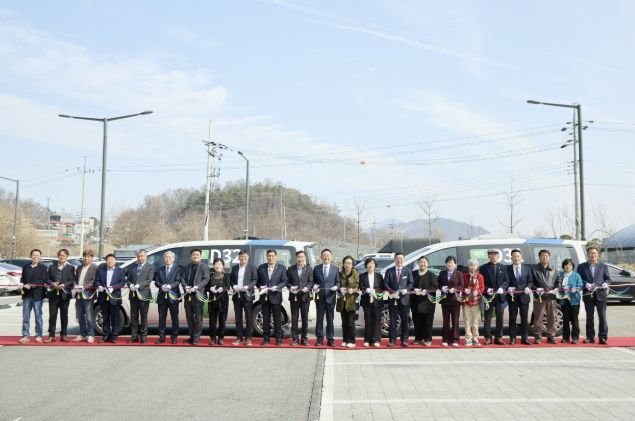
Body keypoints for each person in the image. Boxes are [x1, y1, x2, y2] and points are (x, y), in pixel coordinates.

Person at [577, 245, 611, 344]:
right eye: (591, 253)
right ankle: (590, 337)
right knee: (589, 317)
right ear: (587, 254)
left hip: (601, 294)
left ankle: (602, 337)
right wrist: (585, 284)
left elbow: (608, 279)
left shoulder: (603, 266)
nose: (593, 255)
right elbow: (578, 279)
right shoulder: (581, 266)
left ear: (597, 254)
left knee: (602, 317)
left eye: (594, 253)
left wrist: (606, 283)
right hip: (588, 294)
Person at [257, 249, 288, 345]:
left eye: (272, 256)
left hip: (276, 296)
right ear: (267, 257)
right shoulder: (261, 267)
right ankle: (266, 339)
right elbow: (257, 281)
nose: (271, 258)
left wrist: (278, 287)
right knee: (265, 318)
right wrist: (260, 286)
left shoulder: (281, 268)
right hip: (265, 297)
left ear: (276, 257)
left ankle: (278, 339)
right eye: (269, 256)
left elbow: (285, 281)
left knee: (277, 318)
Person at [18, 249, 48, 344]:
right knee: (26, 316)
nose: (35, 257)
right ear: (31, 256)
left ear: (40, 257)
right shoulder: (26, 267)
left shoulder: (43, 267)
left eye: (37, 255)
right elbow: (22, 279)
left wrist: (33, 284)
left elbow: (43, 280)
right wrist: (21, 283)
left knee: (38, 316)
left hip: (37, 295)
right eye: (34, 255)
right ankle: (25, 335)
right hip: (27, 295)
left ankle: (38, 335)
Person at [531, 249, 561, 344]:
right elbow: (531, 282)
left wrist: (557, 288)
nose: (544, 257)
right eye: (542, 256)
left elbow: (558, 281)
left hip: (551, 297)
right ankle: (538, 336)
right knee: (538, 317)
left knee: (552, 317)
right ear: (539, 257)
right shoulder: (534, 269)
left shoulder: (554, 269)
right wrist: (536, 289)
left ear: (549, 257)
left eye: (546, 256)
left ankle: (551, 336)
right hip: (539, 297)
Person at [45, 248, 76, 342]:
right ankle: (51, 336)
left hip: (64, 295)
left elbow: (72, 281)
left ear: (67, 257)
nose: (62, 257)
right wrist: (52, 283)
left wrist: (64, 285)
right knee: (52, 316)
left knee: (64, 316)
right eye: (60, 255)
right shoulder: (52, 267)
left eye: (64, 256)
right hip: (53, 295)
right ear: (58, 256)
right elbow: (47, 279)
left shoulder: (71, 268)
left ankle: (64, 335)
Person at [180, 248, 210, 345]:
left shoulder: (204, 266)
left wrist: (197, 287)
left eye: (197, 255)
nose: (195, 256)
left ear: (200, 256)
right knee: (189, 317)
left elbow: (206, 279)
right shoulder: (187, 267)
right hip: (188, 295)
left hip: (198, 295)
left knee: (198, 317)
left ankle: (196, 337)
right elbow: (182, 278)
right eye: (193, 255)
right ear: (191, 256)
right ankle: (191, 336)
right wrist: (185, 286)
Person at [383, 252, 413, 347]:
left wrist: (406, 290)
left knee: (405, 320)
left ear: (403, 260)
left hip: (405, 299)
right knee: (392, 320)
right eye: (397, 258)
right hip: (393, 299)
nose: (399, 260)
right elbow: (385, 284)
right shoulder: (389, 271)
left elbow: (411, 283)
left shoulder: (407, 270)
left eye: (401, 258)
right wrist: (392, 292)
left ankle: (404, 340)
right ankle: (392, 340)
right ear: (394, 260)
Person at [95, 254, 126, 343]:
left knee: (115, 317)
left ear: (115, 261)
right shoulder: (101, 270)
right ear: (106, 261)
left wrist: (113, 288)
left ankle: (114, 336)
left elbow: (122, 282)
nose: (110, 261)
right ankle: (105, 335)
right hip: (103, 296)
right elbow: (96, 281)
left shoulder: (120, 270)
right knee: (105, 317)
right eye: (108, 260)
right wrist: (99, 286)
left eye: (112, 260)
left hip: (115, 297)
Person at [480, 249, 509, 345]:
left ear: (498, 256)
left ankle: (498, 337)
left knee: (500, 318)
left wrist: (502, 288)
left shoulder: (503, 267)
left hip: (500, 297)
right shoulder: (483, 268)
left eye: (495, 255)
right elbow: (481, 283)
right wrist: (487, 289)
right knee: (487, 318)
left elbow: (506, 281)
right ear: (489, 256)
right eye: (491, 255)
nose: (493, 257)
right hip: (488, 297)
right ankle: (488, 337)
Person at [126, 249, 155, 344]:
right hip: (133, 295)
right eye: (138, 256)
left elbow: (149, 280)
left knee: (143, 316)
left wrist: (139, 285)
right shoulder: (133, 267)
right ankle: (134, 336)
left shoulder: (150, 267)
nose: (140, 258)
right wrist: (130, 285)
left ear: (146, 257)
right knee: (134, 316)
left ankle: (143, 336)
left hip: (144, 294)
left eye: (142, 256)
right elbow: (128, 279)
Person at [506, 249, 534, 345]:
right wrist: (508, 288)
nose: (516, 258)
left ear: (521, 257)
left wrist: (528, 287)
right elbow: (505, 281)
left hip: (524, 297)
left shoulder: (527, 268)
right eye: (514, 256)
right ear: (511, 258)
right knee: (512, 318)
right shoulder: (507, 268)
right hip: (512, 297)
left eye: (518, 256)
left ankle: (525, 338)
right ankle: (512, 338)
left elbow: (530, 281)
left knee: (524, 319)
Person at [230, 250, 257, 346]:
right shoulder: (234, 268)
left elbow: (254, 280)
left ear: (248, 257)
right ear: (238, 257)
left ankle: (248, 338)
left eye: (245, 256)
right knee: (238, 318)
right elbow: (231, 280)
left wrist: (248, 286)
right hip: (237, 295)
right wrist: (234, 286)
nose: (243, 258)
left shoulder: (252, 268)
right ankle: (239, 338)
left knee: (248, 318)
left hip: (247, 295)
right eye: (241, 256)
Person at [313, 248, 340, 347]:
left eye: (328, 255)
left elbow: (338, 282)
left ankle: (330, 339)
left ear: (331, 257)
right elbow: (313, 281)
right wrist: (314, 287)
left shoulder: (335, 269)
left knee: (330, 319)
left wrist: (336, 287)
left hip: (330, 297)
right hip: (319, 298)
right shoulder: (316, 268)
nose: (326, 257)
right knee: (319, 319)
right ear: (321, 257)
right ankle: (319, 339)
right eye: (324, 255)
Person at [287, 250, 314, 346]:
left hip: (305, 297)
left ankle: (304, 338)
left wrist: (308, 287)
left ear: (304, 258)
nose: (300, 259)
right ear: (296, 258)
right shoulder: (290, 269)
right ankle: (294, 339)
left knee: (305, 318)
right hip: (294, 297)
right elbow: (287, 281)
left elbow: (311, 282)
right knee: (294, 318)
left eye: (302, 257)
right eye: (298, 257)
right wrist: (291, 287)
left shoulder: (309, 269)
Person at [154, 251, 181, 344]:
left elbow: (178, 281)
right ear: (163, 259)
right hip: (162, 296)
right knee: (162, 317)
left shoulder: (177, 269)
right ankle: (161, 336)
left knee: (174, 317)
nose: (168, 259)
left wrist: (170, 286)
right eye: (166, 257)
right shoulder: (159, 269)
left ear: (173, 259)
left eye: (170, 257)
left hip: (173, 296)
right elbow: (156, 282)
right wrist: (161, 286)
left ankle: (174, 337)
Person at [438, 256, 464, 347]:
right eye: (448, 262)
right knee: (446, 320)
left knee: (455, 321)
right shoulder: (442, 273)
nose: (450, 264)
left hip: (455, 300)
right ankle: (445, 339)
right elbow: (438, 284)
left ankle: (455, 339)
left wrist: (455, 289)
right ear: (445, 264)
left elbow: (461, 286)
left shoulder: (459, 273)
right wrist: (442, 287)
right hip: (445, 300)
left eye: (452, 262)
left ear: (455, 264)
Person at [411, 256, 437, 346]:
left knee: (427, 322)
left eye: (424, 262)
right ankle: (418, 338)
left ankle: (427, 339)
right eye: (421, 262)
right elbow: (409, 284)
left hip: (428, 303)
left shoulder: (431, 275)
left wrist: (426, 290)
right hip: (415, 302)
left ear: (427, 264)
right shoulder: (413, 274)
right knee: (417, 322)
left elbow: (435, 286)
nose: (422, 264)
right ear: (418, 263)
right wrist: (414, 289)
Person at [73, 249, 98, 343]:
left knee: (89, 316)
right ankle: (82, 334)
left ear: (92, 258)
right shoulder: (79, 267)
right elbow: (75, 279)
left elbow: (94, 280)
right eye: (85, 256)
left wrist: (84, 287)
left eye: (88, 257)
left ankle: (91, 334)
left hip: (88, 294)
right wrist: (76, 286)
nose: (86, 258)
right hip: (78, 294)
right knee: (80, 315)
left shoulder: (95, 267)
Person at [359, 257, 385, 347]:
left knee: (377, 320)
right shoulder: (362, 276)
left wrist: (375, 291)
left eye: (372, 263)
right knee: (368, 320)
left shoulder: (379, 276)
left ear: (375, 265)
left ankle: (376, 339)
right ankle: (367, 339)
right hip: (366, 300)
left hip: (377, 301)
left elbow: (383, 287)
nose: (370, 265)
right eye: (369, 263)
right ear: (366, 265)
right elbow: (360, 286)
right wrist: (366, 289)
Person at [337, 255, 360, 348]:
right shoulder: (339, 274)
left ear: (352, 265)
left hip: (352, 301)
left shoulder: (356, 274)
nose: (348, 265)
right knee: (344, 322)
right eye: (346, 263)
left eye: (350, 263)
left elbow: (358, 286)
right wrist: (339, 289)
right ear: (343, 264)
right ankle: (345, 340)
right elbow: (337, 285)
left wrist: (353, 290)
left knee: (351, 322)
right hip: (342, 301)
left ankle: (351, 341)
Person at [560, 258, 583, 344]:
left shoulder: (576, 275)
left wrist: (575, 289)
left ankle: (575, 337)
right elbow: (557, 285)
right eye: (566, 265)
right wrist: (560, 289)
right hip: (564, 300)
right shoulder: (560, 275)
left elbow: (580, 286)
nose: (568, 266)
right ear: (563, 266)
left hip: (574, 300)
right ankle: (565, 337)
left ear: (572, 266)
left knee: (574, 320)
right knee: (565, 319)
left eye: (570, 265)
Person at [462, 259, 484, 347]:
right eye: (471, 265)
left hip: (476, 301)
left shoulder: (480, 276)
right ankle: (468, 338)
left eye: (474, 265)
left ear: (477, 266)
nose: (472, 267)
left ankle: (475, 337)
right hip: (466, 301)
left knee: (475, 321)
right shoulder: (464, 276)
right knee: (467, 320)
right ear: (468, 267)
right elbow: (461, 287)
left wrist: (478, 291)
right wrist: (464, 291)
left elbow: (482, 288)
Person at [208, 257, 230, 345]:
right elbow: (206, 285)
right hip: (212, 298)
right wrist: (210, 288)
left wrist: (222, 289)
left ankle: (221, 338)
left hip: (223, 299)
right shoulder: (210, 275)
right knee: (212, 319)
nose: (218, 266)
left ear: (223, 266)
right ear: (213, 265)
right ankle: (212, 338)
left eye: (220, 264)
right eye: (216, 264)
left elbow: (228, 286)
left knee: (222, 319)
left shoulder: (226, 275)